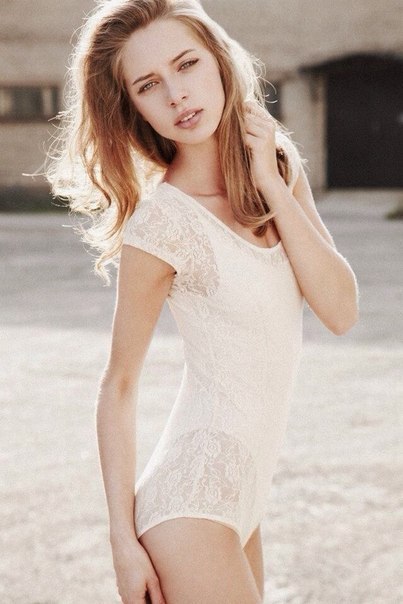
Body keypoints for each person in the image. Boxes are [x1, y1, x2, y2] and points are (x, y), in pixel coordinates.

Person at [46, 0, 359, 602]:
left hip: (246, 499)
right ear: (132, 106)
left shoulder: (278, 166)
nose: (177, 96)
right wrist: (122, 544)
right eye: (148, 85)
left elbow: (341, 311)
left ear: (217, 60)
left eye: (186, 64)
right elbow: (119, 386)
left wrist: (271, 184)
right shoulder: (161, 225)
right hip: (189, 504)